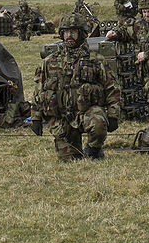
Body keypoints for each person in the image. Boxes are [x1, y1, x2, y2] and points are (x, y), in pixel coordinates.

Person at [32, 13, 121, 161]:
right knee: (69, 159)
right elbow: (38, 91)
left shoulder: (96, 60)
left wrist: (113, 116)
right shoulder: (50, 62)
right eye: (66, 32)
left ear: (82, 34)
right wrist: (35, 118)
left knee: (98, 125)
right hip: (62, 118)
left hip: (87, 113)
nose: (69, 36)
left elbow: (112, 88)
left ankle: (93, 149)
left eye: (73, 32)